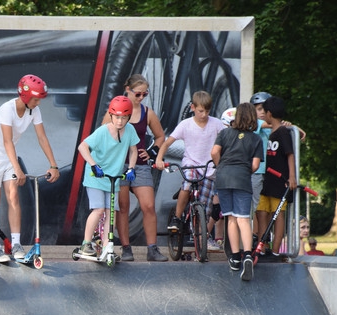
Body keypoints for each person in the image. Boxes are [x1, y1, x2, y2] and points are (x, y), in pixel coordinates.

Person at [0, 74, 60, 263]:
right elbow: (7, 141)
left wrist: (53, 165)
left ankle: (16, 245)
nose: (38, 103)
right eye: (35, 99)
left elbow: (42, 137)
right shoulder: (6, 110)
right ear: (25, 96)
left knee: (14, 196)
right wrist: (18, 168)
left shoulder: (34, 111)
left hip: (9, 154)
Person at [105, 74, 167, 262]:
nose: (141, 98)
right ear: (128, 89)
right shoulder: (114, 109)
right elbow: (102, 134)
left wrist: (152, 151)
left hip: (139, 165)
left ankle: (152, 248)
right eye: (138, 94)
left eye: (144, 94)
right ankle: (126, 248)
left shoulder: (147, 112)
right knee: (123, 207)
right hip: (119, 164)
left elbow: (160, 136)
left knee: (148, 206)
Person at [154, 91, 225, 234]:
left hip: (209, 168)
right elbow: (167, 143)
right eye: (200, 111)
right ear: (193, 107)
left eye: (207, 111)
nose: (204, 115)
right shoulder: (186, 124)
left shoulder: (217, 124)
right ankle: (177, 217)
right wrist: (159, 159)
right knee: (187, 184)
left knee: (206, 207)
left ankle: (201, 239)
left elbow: (227, 141)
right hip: (191, 163)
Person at [77, 96, 138, 255]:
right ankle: (86, 243)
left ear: (128, 117)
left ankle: (106, 246)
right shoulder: (103, 131)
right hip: (96, 177)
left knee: (112, 212)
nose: (120, 121)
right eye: (117, 117)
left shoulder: (130, 130)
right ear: (111, 115)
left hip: (113, 178)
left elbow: (133, 150)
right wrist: (94, 165)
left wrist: (131, 168)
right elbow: (83, 147)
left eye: (124, 117)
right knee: (99, 209)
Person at [210, 102, 264, 281]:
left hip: (224, 177)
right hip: (242, 179)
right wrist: (244, 170)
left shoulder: (224, 133)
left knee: (230, 218)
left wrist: (221, 166)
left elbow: (214, 152)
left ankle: (234, 258)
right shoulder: (256, 139)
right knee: (244, 219)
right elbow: (255, 165)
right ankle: (247, 254)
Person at [250, 91, 307, 237]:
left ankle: (266, 237)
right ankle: (256, 234)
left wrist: (289, 126)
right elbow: (269, 124)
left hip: (273, 173)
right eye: (258, 109)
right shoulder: (256, 124)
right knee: (259, 207)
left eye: (264, 109)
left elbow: (285, 128)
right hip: (259, 170)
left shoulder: (275, 127)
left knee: (271, 209)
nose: (262, 113)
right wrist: (288, 126)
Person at [256, 96, 297, 256]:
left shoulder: (282, 132)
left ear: (269, 114)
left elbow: (290, 154)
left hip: (281, 181)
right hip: (269, 181)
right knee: (261, 212)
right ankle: (261, 247)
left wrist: (292, 177)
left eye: (264, 112)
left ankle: (275, 251)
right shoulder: (271, 133)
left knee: (278, 214)